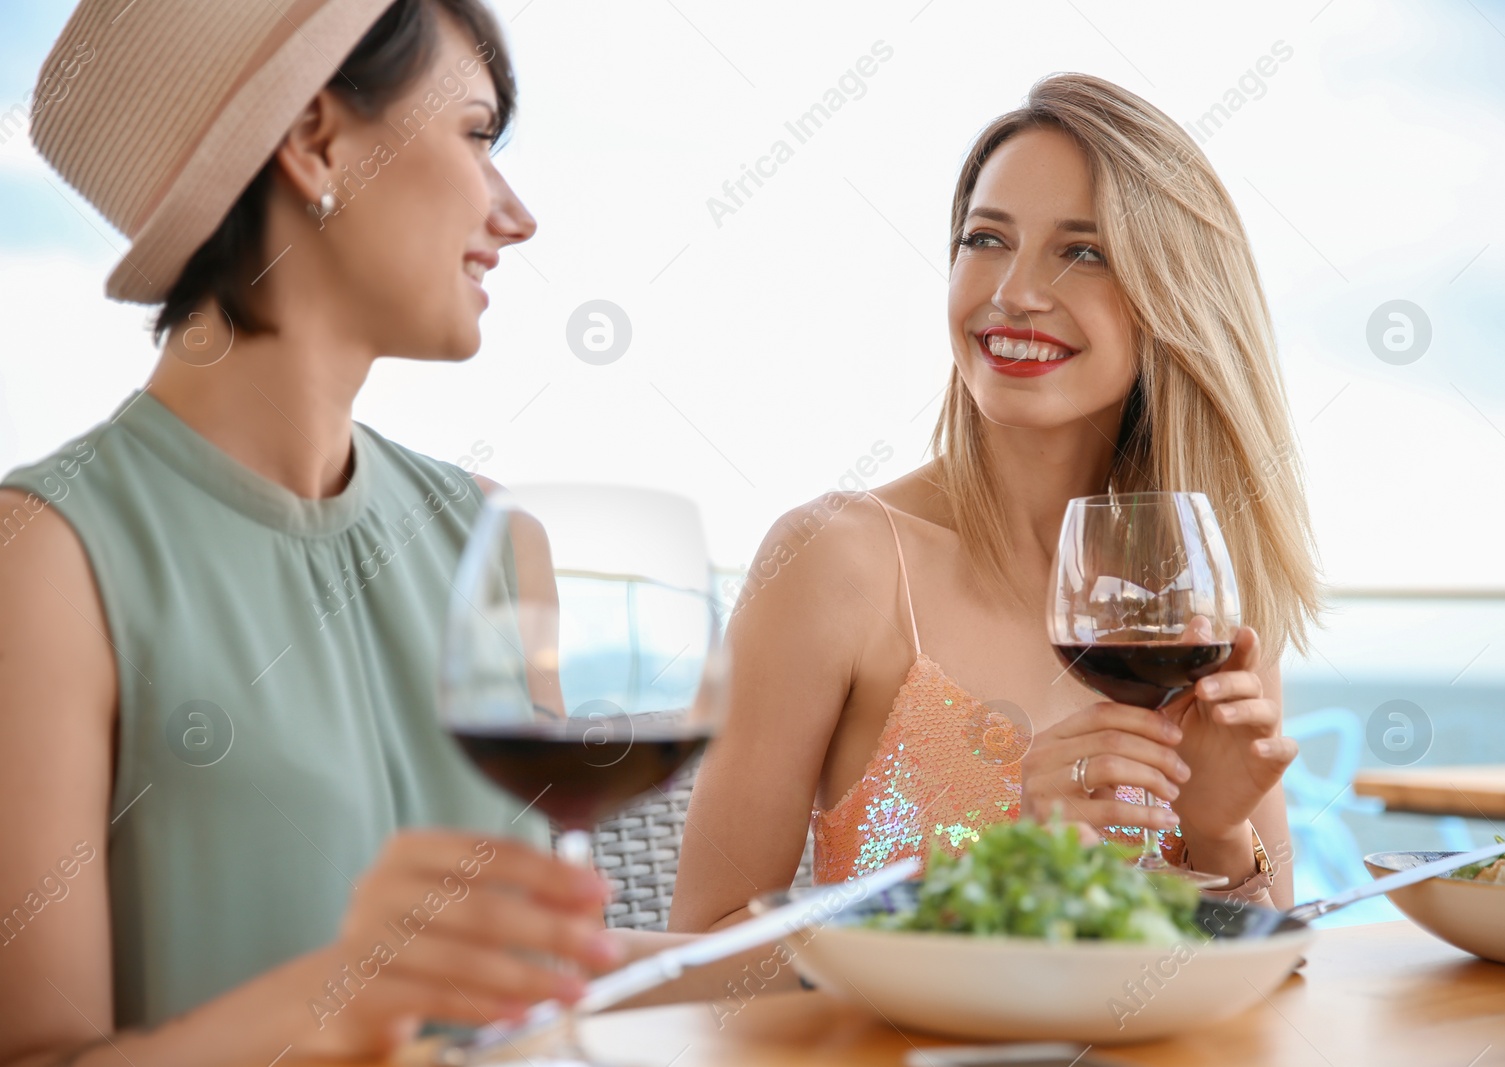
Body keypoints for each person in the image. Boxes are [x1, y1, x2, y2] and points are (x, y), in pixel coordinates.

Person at [0, 2, 693, 1062]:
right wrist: (335, 999)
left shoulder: (492, 540)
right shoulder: (45, 558)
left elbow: (548, 976)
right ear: (317, 142)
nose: (516, 215)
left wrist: (888, 928)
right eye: (474, 134)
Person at [671, 73, 1321, 942]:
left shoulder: (1201, 595)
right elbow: (694, 958)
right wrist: (990, 869)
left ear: (1174, 299)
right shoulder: (837, 559)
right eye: (987, 238)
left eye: (1082, 251)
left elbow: (1267, 972)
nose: (1013, 291)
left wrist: (1216, 831)